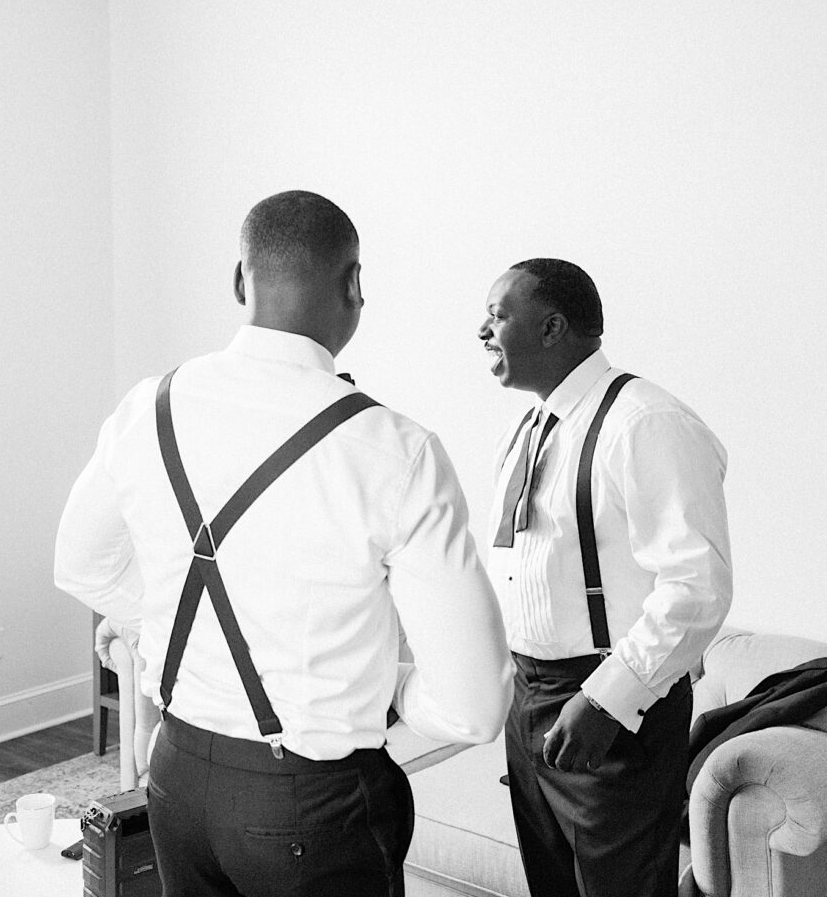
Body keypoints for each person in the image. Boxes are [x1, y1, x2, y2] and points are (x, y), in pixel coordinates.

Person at [57, 190, 513, 897]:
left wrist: (169, 628)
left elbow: (79, 565)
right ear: (356, 285)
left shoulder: (149, 405)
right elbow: (474, 706)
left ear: (239, 282)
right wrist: (381, 687)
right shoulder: (394, 449)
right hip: (310, 803)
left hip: (174, 776)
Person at [477, 258, 732, 897]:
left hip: (609, 708)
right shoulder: (531, 425)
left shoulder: (645, 423)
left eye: (497, 315)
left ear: (552, 327)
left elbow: (697, 586)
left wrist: (604, 699)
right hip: (527, 700)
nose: (482, 331)